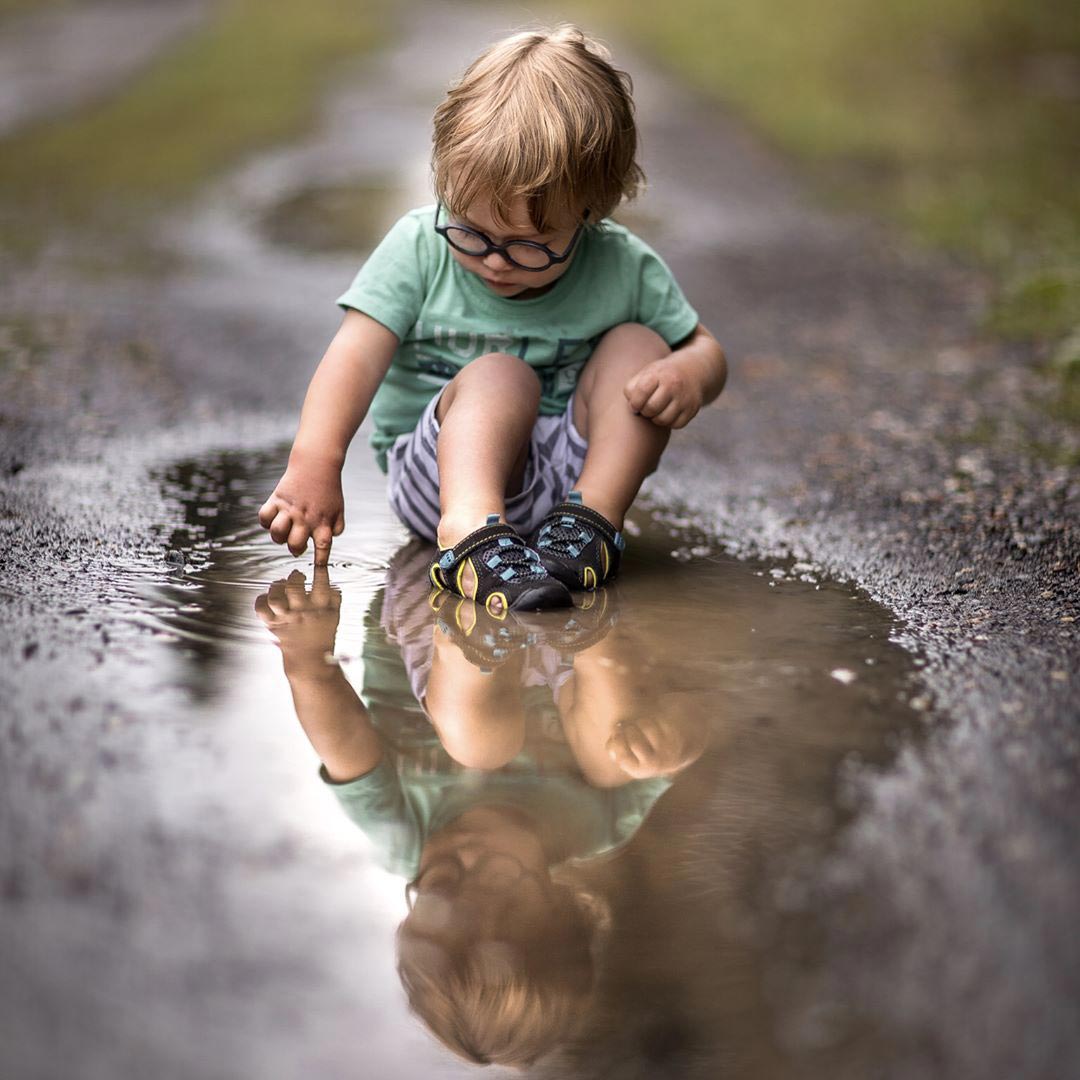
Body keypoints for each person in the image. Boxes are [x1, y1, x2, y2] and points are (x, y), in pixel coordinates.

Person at [258, 25, 727, 612]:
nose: (496, 261)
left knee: (641, 345)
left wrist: (688, 374)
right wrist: (315, 463)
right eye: (472, 232)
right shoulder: (418, 248)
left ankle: (592, 525)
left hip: (568, 482)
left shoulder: (622, 265)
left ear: (592, 211)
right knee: (502, 374)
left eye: (529, 244)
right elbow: (353, 356)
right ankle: (470, 538)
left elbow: (706, 351)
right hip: (443, 480)